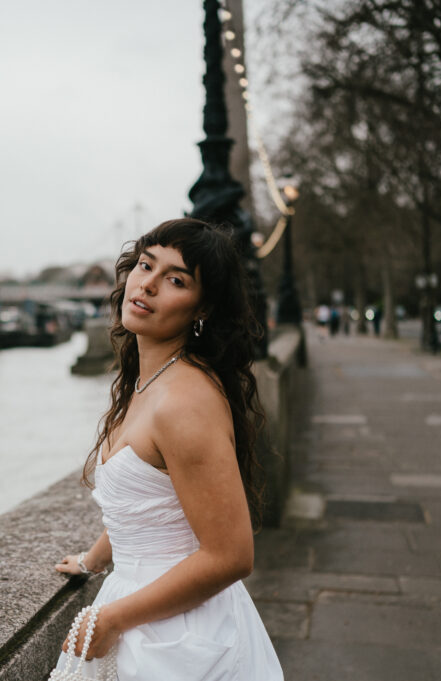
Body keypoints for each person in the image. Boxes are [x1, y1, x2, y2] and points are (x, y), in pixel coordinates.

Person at [52, 218, 284, 680]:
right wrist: (93, 559)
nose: (147, 285)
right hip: (143, 604)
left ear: (202, 309)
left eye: (175, 279)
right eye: (145, 265)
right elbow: (148, 506)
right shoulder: (150, 379)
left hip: (174, 630)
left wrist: (112, 619)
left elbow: (232, 555)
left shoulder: (184, 402)